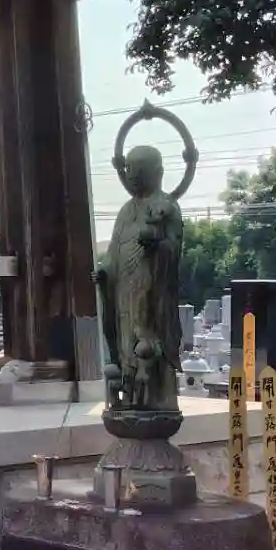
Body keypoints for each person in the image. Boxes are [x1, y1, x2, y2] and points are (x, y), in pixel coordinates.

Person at [96, 143, 183, 418]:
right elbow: (114, 251)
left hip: (152, 288)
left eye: (140, 171)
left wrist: (157, 245)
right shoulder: (126, 211)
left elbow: (174, 248)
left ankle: (156, 396)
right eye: (130, 171)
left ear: (157, 173)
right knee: (126, 342)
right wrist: (105, 272)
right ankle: (129, 392)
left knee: (148, 338)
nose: (134, 177)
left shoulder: (167, 207)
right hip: (123, 289)